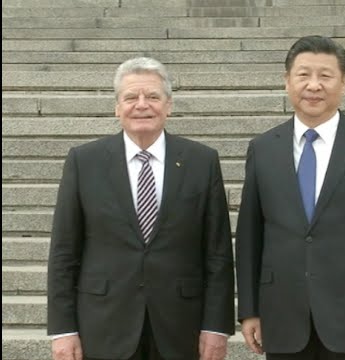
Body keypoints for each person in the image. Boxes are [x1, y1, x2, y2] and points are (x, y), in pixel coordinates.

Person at [235, 35, 345, 360]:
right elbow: (250, 237)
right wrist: (249, 309)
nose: (314, 85)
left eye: (325, 76)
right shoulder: (262, 149)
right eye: (304, 75)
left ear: (344, 83)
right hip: (283, 315)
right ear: (287, 81)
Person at [47, 57, 235, 360]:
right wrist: (63, 330)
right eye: (131, 97)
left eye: (153, 96)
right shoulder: (84, 162)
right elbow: (63, 252)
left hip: (180, 326)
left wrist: (216, 327)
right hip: (104, 324)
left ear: (169, 105)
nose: (142, 104)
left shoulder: (202, 161)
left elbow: (218, 254)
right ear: (117, 107)